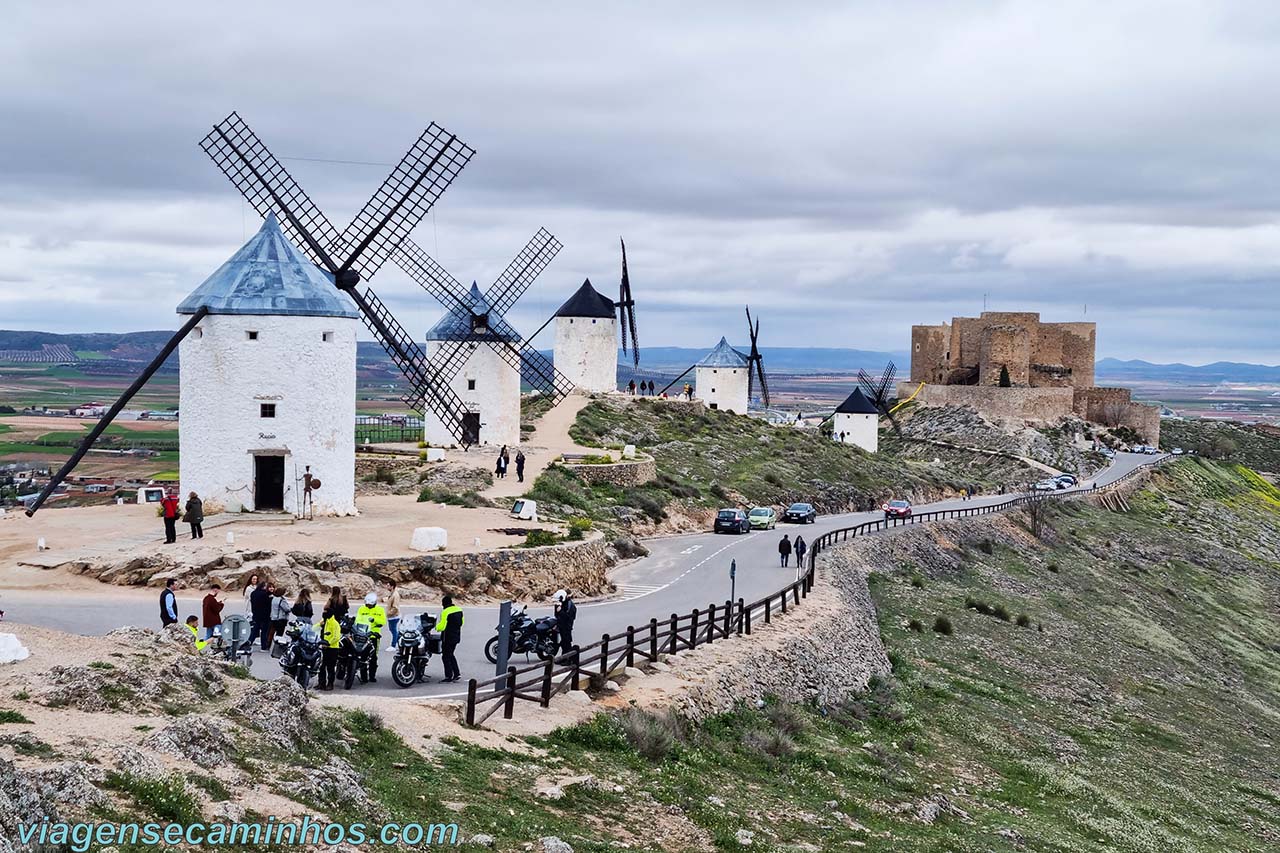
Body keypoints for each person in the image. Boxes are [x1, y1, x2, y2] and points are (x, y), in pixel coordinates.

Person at [355, 592, 388, 682]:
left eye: (370, 605)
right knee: (363, 655)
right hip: (363, 634)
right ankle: (364, 676)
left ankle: (372, 676)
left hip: (374, 635)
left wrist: (375, 620)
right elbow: (357, 620)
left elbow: (383, 621)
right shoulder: (362, 609)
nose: (368, 606)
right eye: (367, 604)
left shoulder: (380, 610)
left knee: (373, 657)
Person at [435, 595, 464, 683]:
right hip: (456, 636)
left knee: (445, 656)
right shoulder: (459, 609)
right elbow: (462, 622)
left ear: (444, 603)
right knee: (451, 654)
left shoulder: (445, 612)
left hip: (447, 637)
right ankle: (456, 673)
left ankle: (448, 676)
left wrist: (436, 627)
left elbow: (442, 626)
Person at [244, 581, 273, 651]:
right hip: (265, 616)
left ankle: (249, 643)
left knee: (254, 630)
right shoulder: (265, 594)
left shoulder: (253, 593)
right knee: (264, 632)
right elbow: (267, 604)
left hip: (256, 614)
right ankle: (263, 647)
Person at [318, 606, 341, 691]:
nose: (324, 613)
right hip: (323, 648)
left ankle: (330, 684)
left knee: (330, 667)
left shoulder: (335, 624)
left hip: (332, 648)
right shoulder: (325, 622)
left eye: (325, 612)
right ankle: (321, 683)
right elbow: (315, 628)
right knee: (321, 666)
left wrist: (328, 643)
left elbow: (336, 637)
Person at [553, 589, 577, 656]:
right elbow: (557, 615)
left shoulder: (570, 605)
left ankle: (568, 658)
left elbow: (568, 617)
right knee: (564, 642)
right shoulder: (561, 603)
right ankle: (564, 657)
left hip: (567, 626)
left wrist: (560, 611)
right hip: (561, 625)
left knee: (566, 642)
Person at [385, 579, 402, 646]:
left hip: (394, 616)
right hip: (391, 616)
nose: (387, 587)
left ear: (392, 586)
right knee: (392, 630)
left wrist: (389, 613)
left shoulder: (395, 595)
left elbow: (395, 607)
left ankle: (393, 645)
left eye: (388, 585)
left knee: (394, 631)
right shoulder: (392, 594)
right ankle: (400, 641)